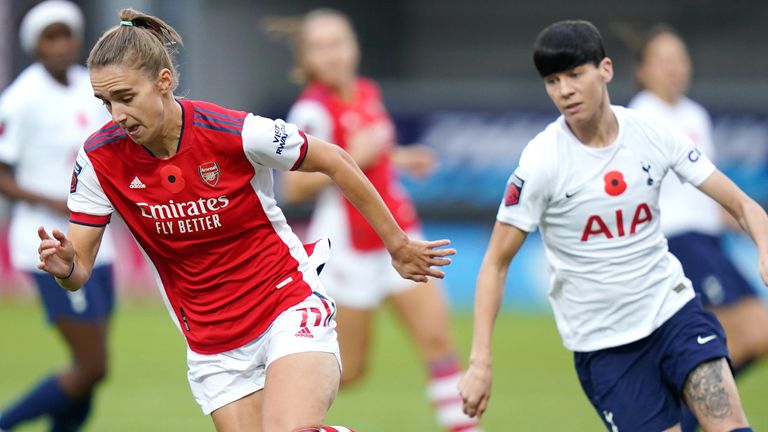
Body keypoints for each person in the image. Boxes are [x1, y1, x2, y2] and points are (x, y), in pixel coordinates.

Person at [34, 7, 453, 432]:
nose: (117, 115)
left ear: (164, 82)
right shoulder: (98, 158)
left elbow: (335, 159)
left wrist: (397, 244)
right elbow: (79, 270)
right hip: (211, 344)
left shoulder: (233, 131)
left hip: (286, 304)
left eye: (126, 97)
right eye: (105, 102)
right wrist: (66, 266)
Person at [458, 20, 767, 431]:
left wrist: (763, 246)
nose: (564, 89)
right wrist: (481, 360)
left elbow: (743, 205)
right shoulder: (541, 163)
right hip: (605, 345)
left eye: (574, 74)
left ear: (605, 70)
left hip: (673, 311)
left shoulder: (652, 133)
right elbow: (495, 262)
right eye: (552, 80)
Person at [276, 9, 481, 432]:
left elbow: (372, 152)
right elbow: (293, 188)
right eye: (321, 47)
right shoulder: (312, 110)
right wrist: (358, 152)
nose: (332, 54)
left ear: (354, 46)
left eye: (339, 42)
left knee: (439, 344)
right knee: (350, 371)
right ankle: (277, 410)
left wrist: (402, 157)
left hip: (400, 233)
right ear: (306, 60)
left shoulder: (366, 91)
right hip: (350, 250)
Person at [628, 25, 768, 432]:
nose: (675, 68)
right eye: (664, 60)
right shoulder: (639, 118)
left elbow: (706, 191)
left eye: (680, 59)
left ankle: (681, 413)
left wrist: (745, 221)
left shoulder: (694, 116)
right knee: (751, 332)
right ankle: (691, 415)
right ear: (643, 70)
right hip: (677, 241)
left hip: (709, 240)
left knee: (729, 341)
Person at [0, 2, 116, 430]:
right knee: (93, 364)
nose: (62, 44)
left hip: (98, 240)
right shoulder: (20, 99)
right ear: (34, 45)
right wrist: (51, 200)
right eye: (51, 36)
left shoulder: (90, 88)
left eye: (66, 34)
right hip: (49, 242)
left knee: (90, 370)